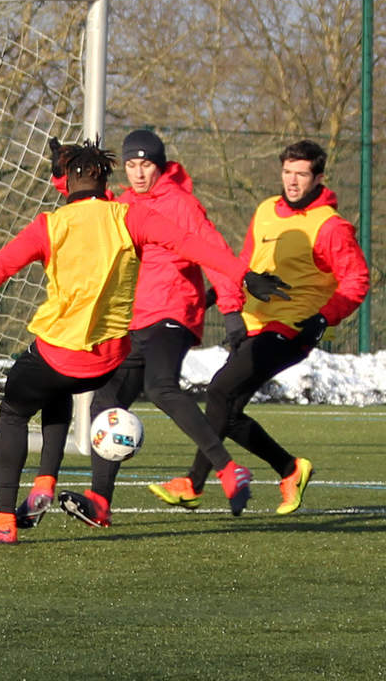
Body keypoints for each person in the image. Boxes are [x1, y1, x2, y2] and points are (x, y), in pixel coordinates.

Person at [0, 137, 289, 544]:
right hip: (108, 361)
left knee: (15, 409)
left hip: (60, 355)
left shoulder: (48, 227)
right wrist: (246, 275)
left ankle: (3, 521)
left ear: (64, 182)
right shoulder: (131, 217)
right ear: (107, 181)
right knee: (59, 386)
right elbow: (195, 245)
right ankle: (45, 484)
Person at [149, 139, 369, 515]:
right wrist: (215, 297)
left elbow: (357, 281)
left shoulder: (330, 227)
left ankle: (193, 483)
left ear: (318, 177)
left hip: (290, 329)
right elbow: (246, 262)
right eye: (287, 172)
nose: (293, 181)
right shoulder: (266, 210)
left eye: (302, 174)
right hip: (253, 324)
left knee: (219, 390)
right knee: (227, 412)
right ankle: (289, 469)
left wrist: (322, 319)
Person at [53, 129, 254, 528]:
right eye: (132, 164)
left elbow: (215, 254)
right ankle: (100, 502)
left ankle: (228, 470)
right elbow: (90, 205)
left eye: (146, 164)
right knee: (104, 404)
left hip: (173, 314)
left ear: (159, 165)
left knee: (161, 387)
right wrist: (65, 172)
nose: (139, 172)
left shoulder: (182, 206)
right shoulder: (126, 203)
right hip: (134, 319)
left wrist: (232, 314)